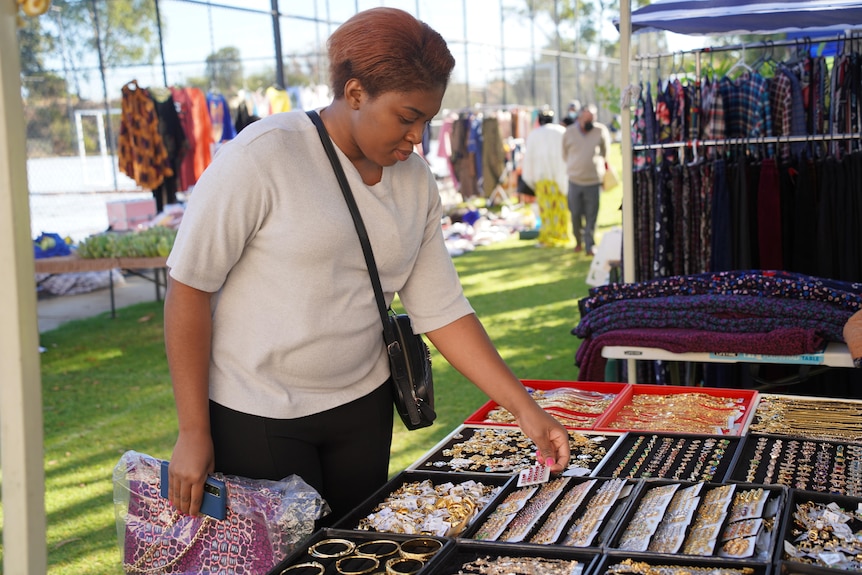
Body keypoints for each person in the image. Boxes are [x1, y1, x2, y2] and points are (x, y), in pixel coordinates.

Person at [163, 7, 571, 526]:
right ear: (355, 93)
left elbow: (441, 309)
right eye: (406, 117)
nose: (418, 136)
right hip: (258, 412)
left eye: (428, 119)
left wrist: (524, 409)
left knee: (358, 550)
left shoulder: (416, 180)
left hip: (362, 408)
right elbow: (189, 289)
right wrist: (194, 430)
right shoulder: (263, 156)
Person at [562, 103, 611, 255]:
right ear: (580, 116)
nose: (590, 121)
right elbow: (564, 154)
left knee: (591, 215)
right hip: (575, 180)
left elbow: (605, 152)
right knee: (575, 213)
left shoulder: (600, 131)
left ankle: (590, 245)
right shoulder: (569, 133)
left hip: (593, 181)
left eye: (593, 118)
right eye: (587, 117)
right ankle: (578, 241)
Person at [520, 110, 572, 247]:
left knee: (546, 209)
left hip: (542, 179)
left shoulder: (534, 135)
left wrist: (529, 177)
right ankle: (561, 233)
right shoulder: (561, 132)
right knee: (561, 207)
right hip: (560, 177)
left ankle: (549, 235)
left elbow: (529, 159)